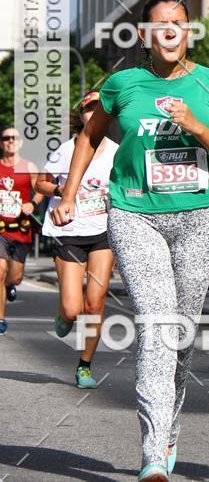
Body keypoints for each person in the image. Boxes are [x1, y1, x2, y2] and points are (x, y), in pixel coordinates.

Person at [52, 0, 209, 482]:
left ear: (189, 30)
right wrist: (69, 194)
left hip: (199, 219)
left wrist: (196, 125)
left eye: (180, 23)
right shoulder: (122, 84)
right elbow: (90, 136)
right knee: (158, 325)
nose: (172, 32)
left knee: (181, 333)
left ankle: (169, 428)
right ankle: (153, 452)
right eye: (161, 25)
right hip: (135, 214)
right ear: (145, 36)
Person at [34, 91, 118, 387]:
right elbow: (39, 183)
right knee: (73, 308)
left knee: (94, 303)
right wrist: (61, 192)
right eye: (88, 108)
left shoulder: (118, 152)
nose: (94, 113)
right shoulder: (65, 151)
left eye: (99, 108)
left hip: (103, 233)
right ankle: (63, 315)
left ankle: (84, 366)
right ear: (79, 115)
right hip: (69, 232)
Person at [0, 126, 42, 334]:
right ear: (2, 143)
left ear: (20, 143)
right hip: (1, 229)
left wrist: (33, 204)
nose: (10, 141)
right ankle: (1, 319)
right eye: (6, 138)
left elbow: (41, 189)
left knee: (14, 277)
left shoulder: (29, 166)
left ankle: (10, 285)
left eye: (14, 138)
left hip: (21, 230)